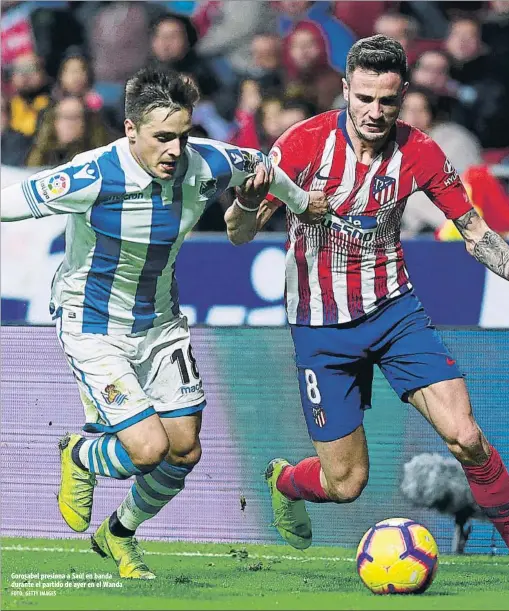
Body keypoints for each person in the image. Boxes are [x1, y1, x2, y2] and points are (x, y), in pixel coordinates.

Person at [225, 36, 509, 580]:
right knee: (346, 484)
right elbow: (239, 235)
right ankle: (285, 481)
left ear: (401, 94)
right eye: (363, 99)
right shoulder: (302, 146)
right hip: (320, 326)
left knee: (467, 437)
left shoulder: (420, 151)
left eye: (386, 101)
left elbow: (472, 231)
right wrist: (245, 198)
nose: (375, 112)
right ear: (345, 91)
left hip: (393, 313)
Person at [0, 67, 327, 580]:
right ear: (130, 130)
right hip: (92, 325)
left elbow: (264, 166)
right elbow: (10, 202)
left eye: (182, 134)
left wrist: (305, 203)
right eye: (161, 137)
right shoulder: (93, 175)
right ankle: (81, 454)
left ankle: (118, 535)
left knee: (184, 449)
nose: (175, 148)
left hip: (161, 325)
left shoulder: (208, 162)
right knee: (148, 449)